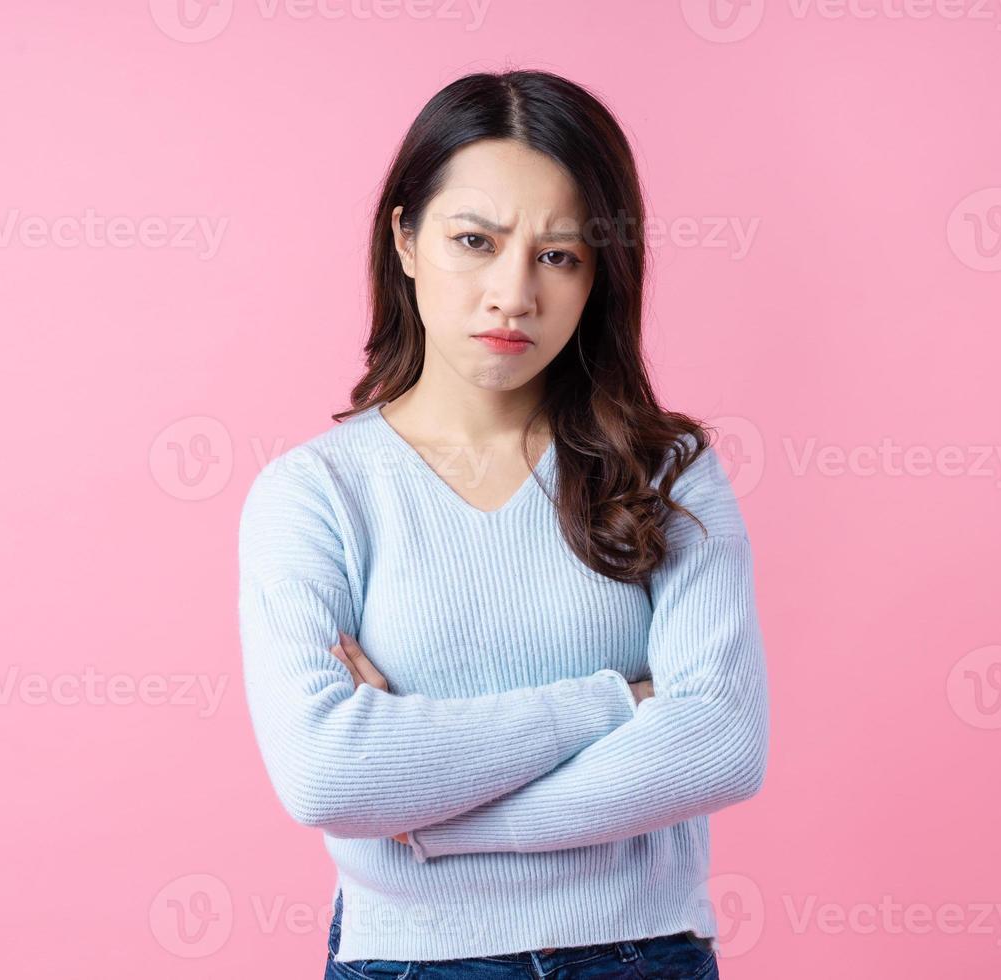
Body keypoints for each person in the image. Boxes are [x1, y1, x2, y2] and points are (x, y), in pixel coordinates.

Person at [238, 68, 769, 979]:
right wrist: (618, 702)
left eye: (558, 255)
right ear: (405, 238)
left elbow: (719, 743)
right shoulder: (317, 494)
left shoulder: (666, 470)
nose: (514, 293)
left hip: (640, 956)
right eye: (475, 242)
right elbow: (328, 772)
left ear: (603, 270)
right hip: (409, 964)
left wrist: (444, 819)